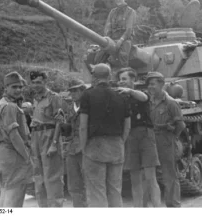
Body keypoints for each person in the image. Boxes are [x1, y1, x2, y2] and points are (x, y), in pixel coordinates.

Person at [79, 63, 131, 207]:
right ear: (109, 76)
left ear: (93, 77)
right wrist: (120, 142)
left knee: (96, 191)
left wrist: (84, 149)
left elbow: (83, 126)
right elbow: (127, 125)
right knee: (115, 190)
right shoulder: (122, 95)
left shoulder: (87, 95)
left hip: (95, 147)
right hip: (116, 145)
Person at [116, 67, 161, 207]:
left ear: (133, 80)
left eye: (124, 79)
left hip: (145, 135)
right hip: (130, 137)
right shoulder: (120, 97)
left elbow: (144, 98)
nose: (121, 82)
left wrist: (129, 91)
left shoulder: (141, 93)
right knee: (134, 179)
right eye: (120, 79)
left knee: (150, 177)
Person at [146, 72, 185, 208]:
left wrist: (172, 137)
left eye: (153, 84)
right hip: (151, 141)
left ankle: (173, 205)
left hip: (165, 140)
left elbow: (180, 125)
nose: (150, 87)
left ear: (162, 84)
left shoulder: (171, 103)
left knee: (169, 175)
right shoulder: (149, 101)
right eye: (148, 84)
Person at [29, 70, 65, 207]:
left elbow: (59, 121)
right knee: (38, 175)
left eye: (39, 82)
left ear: (45, 82)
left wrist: (54, 143)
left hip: (49, 135)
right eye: (33, 83)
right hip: (36, 136)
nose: (36, 85)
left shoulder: (53, 97)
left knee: (52, 175)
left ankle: (55, 209)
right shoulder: (36, 98)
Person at [0, 72, 33, 207]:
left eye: (20, 87)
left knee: (5, 192)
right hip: (14, 153)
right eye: (14, 87)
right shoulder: (10, 107)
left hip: (4, 153)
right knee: (14, 196)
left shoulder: (2, 104)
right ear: (5, 88)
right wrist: (26, 157)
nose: (18, 90)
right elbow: (14, 135)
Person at [60, 80, 88, 207]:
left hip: (86, 147)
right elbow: (67, 130)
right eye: (71, 91)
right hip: (71, 148)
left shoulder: (89, 106)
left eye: (76, 90)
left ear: (83, 91)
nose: (73, 93)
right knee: (73, 183)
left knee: (89, 181)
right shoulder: (69, 108)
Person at [97, 0, 136, 68]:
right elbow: (108, 28)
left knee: (123, 54)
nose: (118, 0)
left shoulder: (130, 12)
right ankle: (99, 73)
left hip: (125, 39)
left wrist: (121, 40)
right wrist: (107, 39)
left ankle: (124, 72)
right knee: (99, 54)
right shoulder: (112, 12)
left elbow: (129, 29)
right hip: (113, 39)